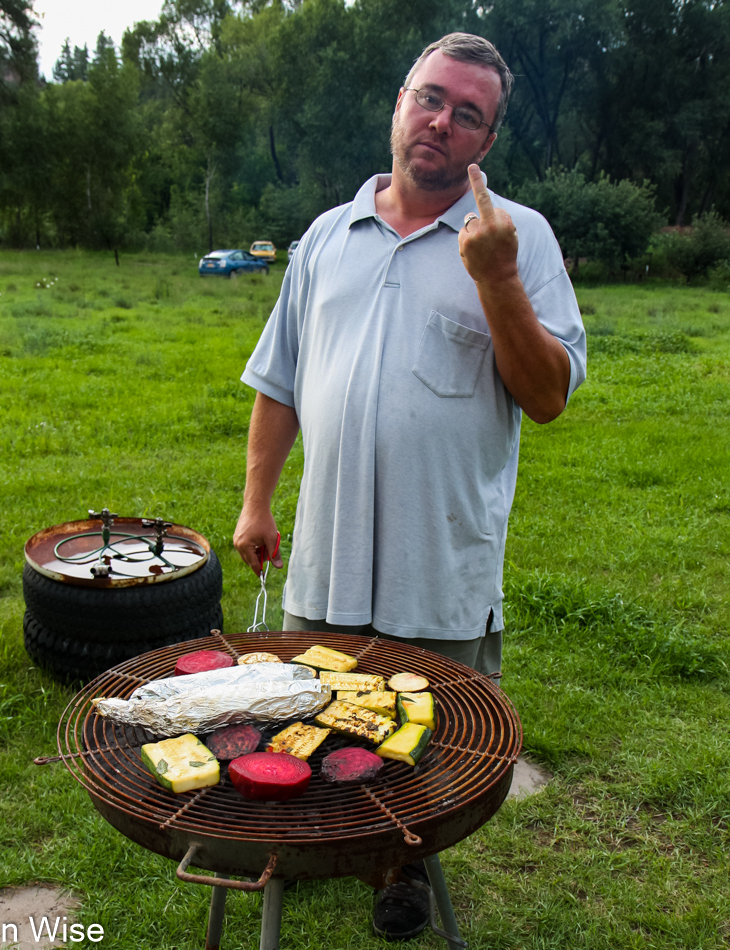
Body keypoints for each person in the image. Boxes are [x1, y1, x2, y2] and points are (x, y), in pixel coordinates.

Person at [234, 32, 586, 941]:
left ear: (486, 143)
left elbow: (545, 398)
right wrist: (255, 502)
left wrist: (497, 279)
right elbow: (279, 380)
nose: (442, 120)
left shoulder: (517, 238)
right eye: (431, 98)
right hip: (327, 558)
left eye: (468, 113)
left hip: (440, 564)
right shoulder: (326, 235)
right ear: (399, 102)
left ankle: (399, 869)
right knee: (309, 720)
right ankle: (314, 843)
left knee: (417, 740)